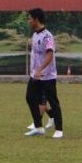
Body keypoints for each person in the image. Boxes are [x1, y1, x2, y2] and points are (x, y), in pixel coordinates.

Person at [24, 8, 63, 138]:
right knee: (30, 97)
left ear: (36, 19)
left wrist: (40, 69)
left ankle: (59, 129)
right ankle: (38, 127)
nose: (28, 20)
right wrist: (35, 71)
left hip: (47, 76)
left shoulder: (48, 36)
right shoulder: (34, 35)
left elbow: (50, 54)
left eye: (30, 18)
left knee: (53, 101)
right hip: (35, 75)